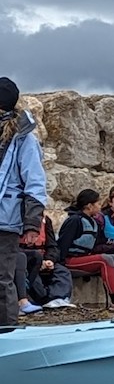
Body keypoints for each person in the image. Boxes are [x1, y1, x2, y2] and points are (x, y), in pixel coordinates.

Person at [1, 78, 49, 332]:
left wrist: (32, 223)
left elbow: (35, 184)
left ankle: (6, 335)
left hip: (5, 219)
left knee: (2, 279)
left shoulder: (24, 141)